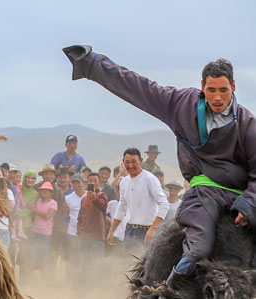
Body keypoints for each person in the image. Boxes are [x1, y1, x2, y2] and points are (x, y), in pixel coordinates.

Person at [66, 46, 256, 290]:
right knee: (198, 247)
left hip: (239, 198)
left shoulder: (248, 124)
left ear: (233, 87)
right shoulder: (181, 105)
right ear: (202, 86)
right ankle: (168, 288)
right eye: (211, 90)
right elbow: (140, 87)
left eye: (223, 90)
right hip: (203, 196)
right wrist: (92, 64)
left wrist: (250, 203)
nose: (217, 98)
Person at [106, 148, 169, 260]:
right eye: (127, 162)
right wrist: (111, 231)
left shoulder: (150, 179)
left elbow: (164, 205)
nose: (130, 165)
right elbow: (121, 208)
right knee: (127, 265)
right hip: (130, 230)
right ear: (123, 162)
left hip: (147, 231)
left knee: (144, 266)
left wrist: (153, 228)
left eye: (134, 161)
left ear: (140, 160)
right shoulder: (124, 182)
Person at [76, 172, 109, 285]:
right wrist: (79, 231)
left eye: (95, 181)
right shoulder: (84, 198)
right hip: (85, 237)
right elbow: (80, 217)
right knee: (85, 264)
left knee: (97, 264)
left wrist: (94, 199)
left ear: (99, 182)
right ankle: (85, 286)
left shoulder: (102, 195)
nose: (93, 183)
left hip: (97, 237)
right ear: (86, 182)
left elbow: (103, 206)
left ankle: (98, 288)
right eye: (90, 181)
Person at [30, 182, 58, 276]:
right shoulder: (38, 201)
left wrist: (35, 210)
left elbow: (47, 216)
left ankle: (44, 277)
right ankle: (31, 276)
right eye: (43, 190)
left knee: (44, 255)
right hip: (35, 231)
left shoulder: (53, 203)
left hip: (45, 233)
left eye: (47, 190)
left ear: (51, 193)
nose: (44, 192)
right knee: (32, 254)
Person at [16, 170, 38, 281]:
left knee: (24, 254)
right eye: (28, 177)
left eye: (33, 178)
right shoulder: (17, 189)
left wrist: (16, 214)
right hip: (13, 226)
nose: (30, 180)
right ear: (24, 178)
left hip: (26, 226)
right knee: (11, 252)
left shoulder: (35, 193)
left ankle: (23, 280)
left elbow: (29, 209)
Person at [64, 174, 86, 272]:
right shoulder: (68, 198)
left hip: (86, 233)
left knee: (85, 256)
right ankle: (73, 280)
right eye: (74, 183)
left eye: (78, 182)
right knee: (73, 257)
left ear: (83, 183)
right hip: (72, 232)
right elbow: (67, 214)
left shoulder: (89, 195)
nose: (76, 185)